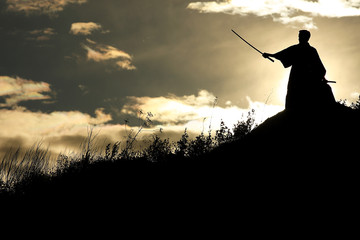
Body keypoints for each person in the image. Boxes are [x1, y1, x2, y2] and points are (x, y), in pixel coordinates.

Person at [263, 30, 335, 110]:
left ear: (306, 38)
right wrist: (269, 55)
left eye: (300, 36)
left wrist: (322, 78)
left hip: (304, 78)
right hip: (297, 77)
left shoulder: (308, 50)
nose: (299, 38)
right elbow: (281, 54)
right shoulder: (298, 49)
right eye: (299, 36)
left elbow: (319, 67)